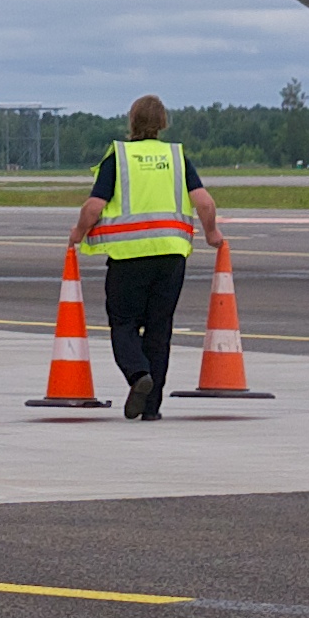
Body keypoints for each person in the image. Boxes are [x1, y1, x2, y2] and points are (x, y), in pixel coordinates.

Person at [69, 97, 211, 418]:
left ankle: (137, 374)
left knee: (124, 323)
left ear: (130, 122)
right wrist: (212, 234)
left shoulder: (118, 159)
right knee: (159, 331)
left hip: (128, 257)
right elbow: (205, 203)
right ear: (163, 122)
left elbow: (94, 207)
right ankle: (151, 408)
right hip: (171, 256)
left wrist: (77, 233)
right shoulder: (176, 157)